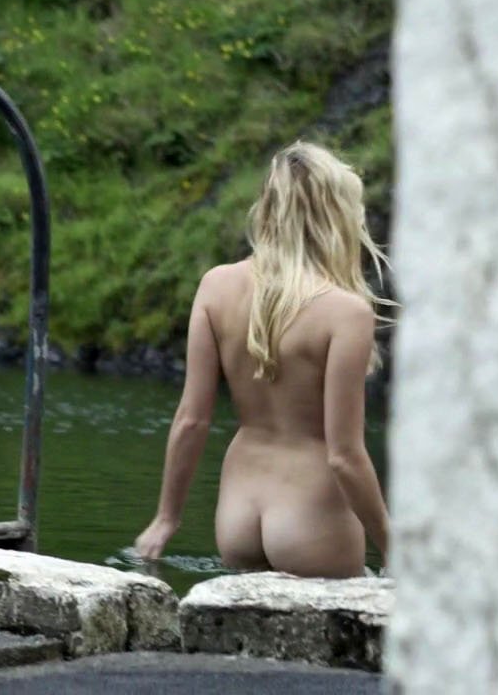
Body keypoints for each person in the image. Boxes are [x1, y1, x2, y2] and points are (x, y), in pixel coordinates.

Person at [134, 141, 393, 577]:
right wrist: (391, 544)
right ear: (336, 215)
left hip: (238, 518)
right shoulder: (346, 312)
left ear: (268, 208)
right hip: (312, 521)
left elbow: (191, 420)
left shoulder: (216, 286)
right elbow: (344, 456)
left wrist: (165, 519)